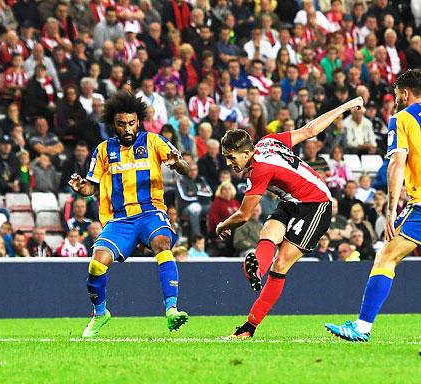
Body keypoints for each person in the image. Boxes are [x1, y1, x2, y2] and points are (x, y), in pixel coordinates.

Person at [215, 95, 363, 338]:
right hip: (293, 200)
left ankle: (248, 327)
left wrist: (221, 226)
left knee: (281, 263)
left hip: (316, 204)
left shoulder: (259, 170)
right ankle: (256, 271)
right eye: (226, 157)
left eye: (232, 157)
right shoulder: (269, 141)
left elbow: (243, 215)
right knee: (268, 233)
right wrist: (345, 106)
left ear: (247, 152)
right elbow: (310, 129)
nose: (229, 162)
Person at [68, 92, 190, 338]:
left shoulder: (154, 142)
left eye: (132, 123)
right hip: (119, 220)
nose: (127, 129)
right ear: (114, 124)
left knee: (162, 244)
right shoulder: (103, 150)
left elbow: (185, 169)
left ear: (139, 121)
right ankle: (100, 313)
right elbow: (90, 187)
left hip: (150, 212)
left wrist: (178, 164)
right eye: (122, 124)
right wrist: (82, 189)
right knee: (96, 264)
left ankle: (171, 310)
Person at [326, 71, 421, 342]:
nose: (396, 99)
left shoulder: (402, 118)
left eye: (397, 94)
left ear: (404, 94)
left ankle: (363, 327)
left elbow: (396, 164)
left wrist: (390, 210)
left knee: (386, 258)